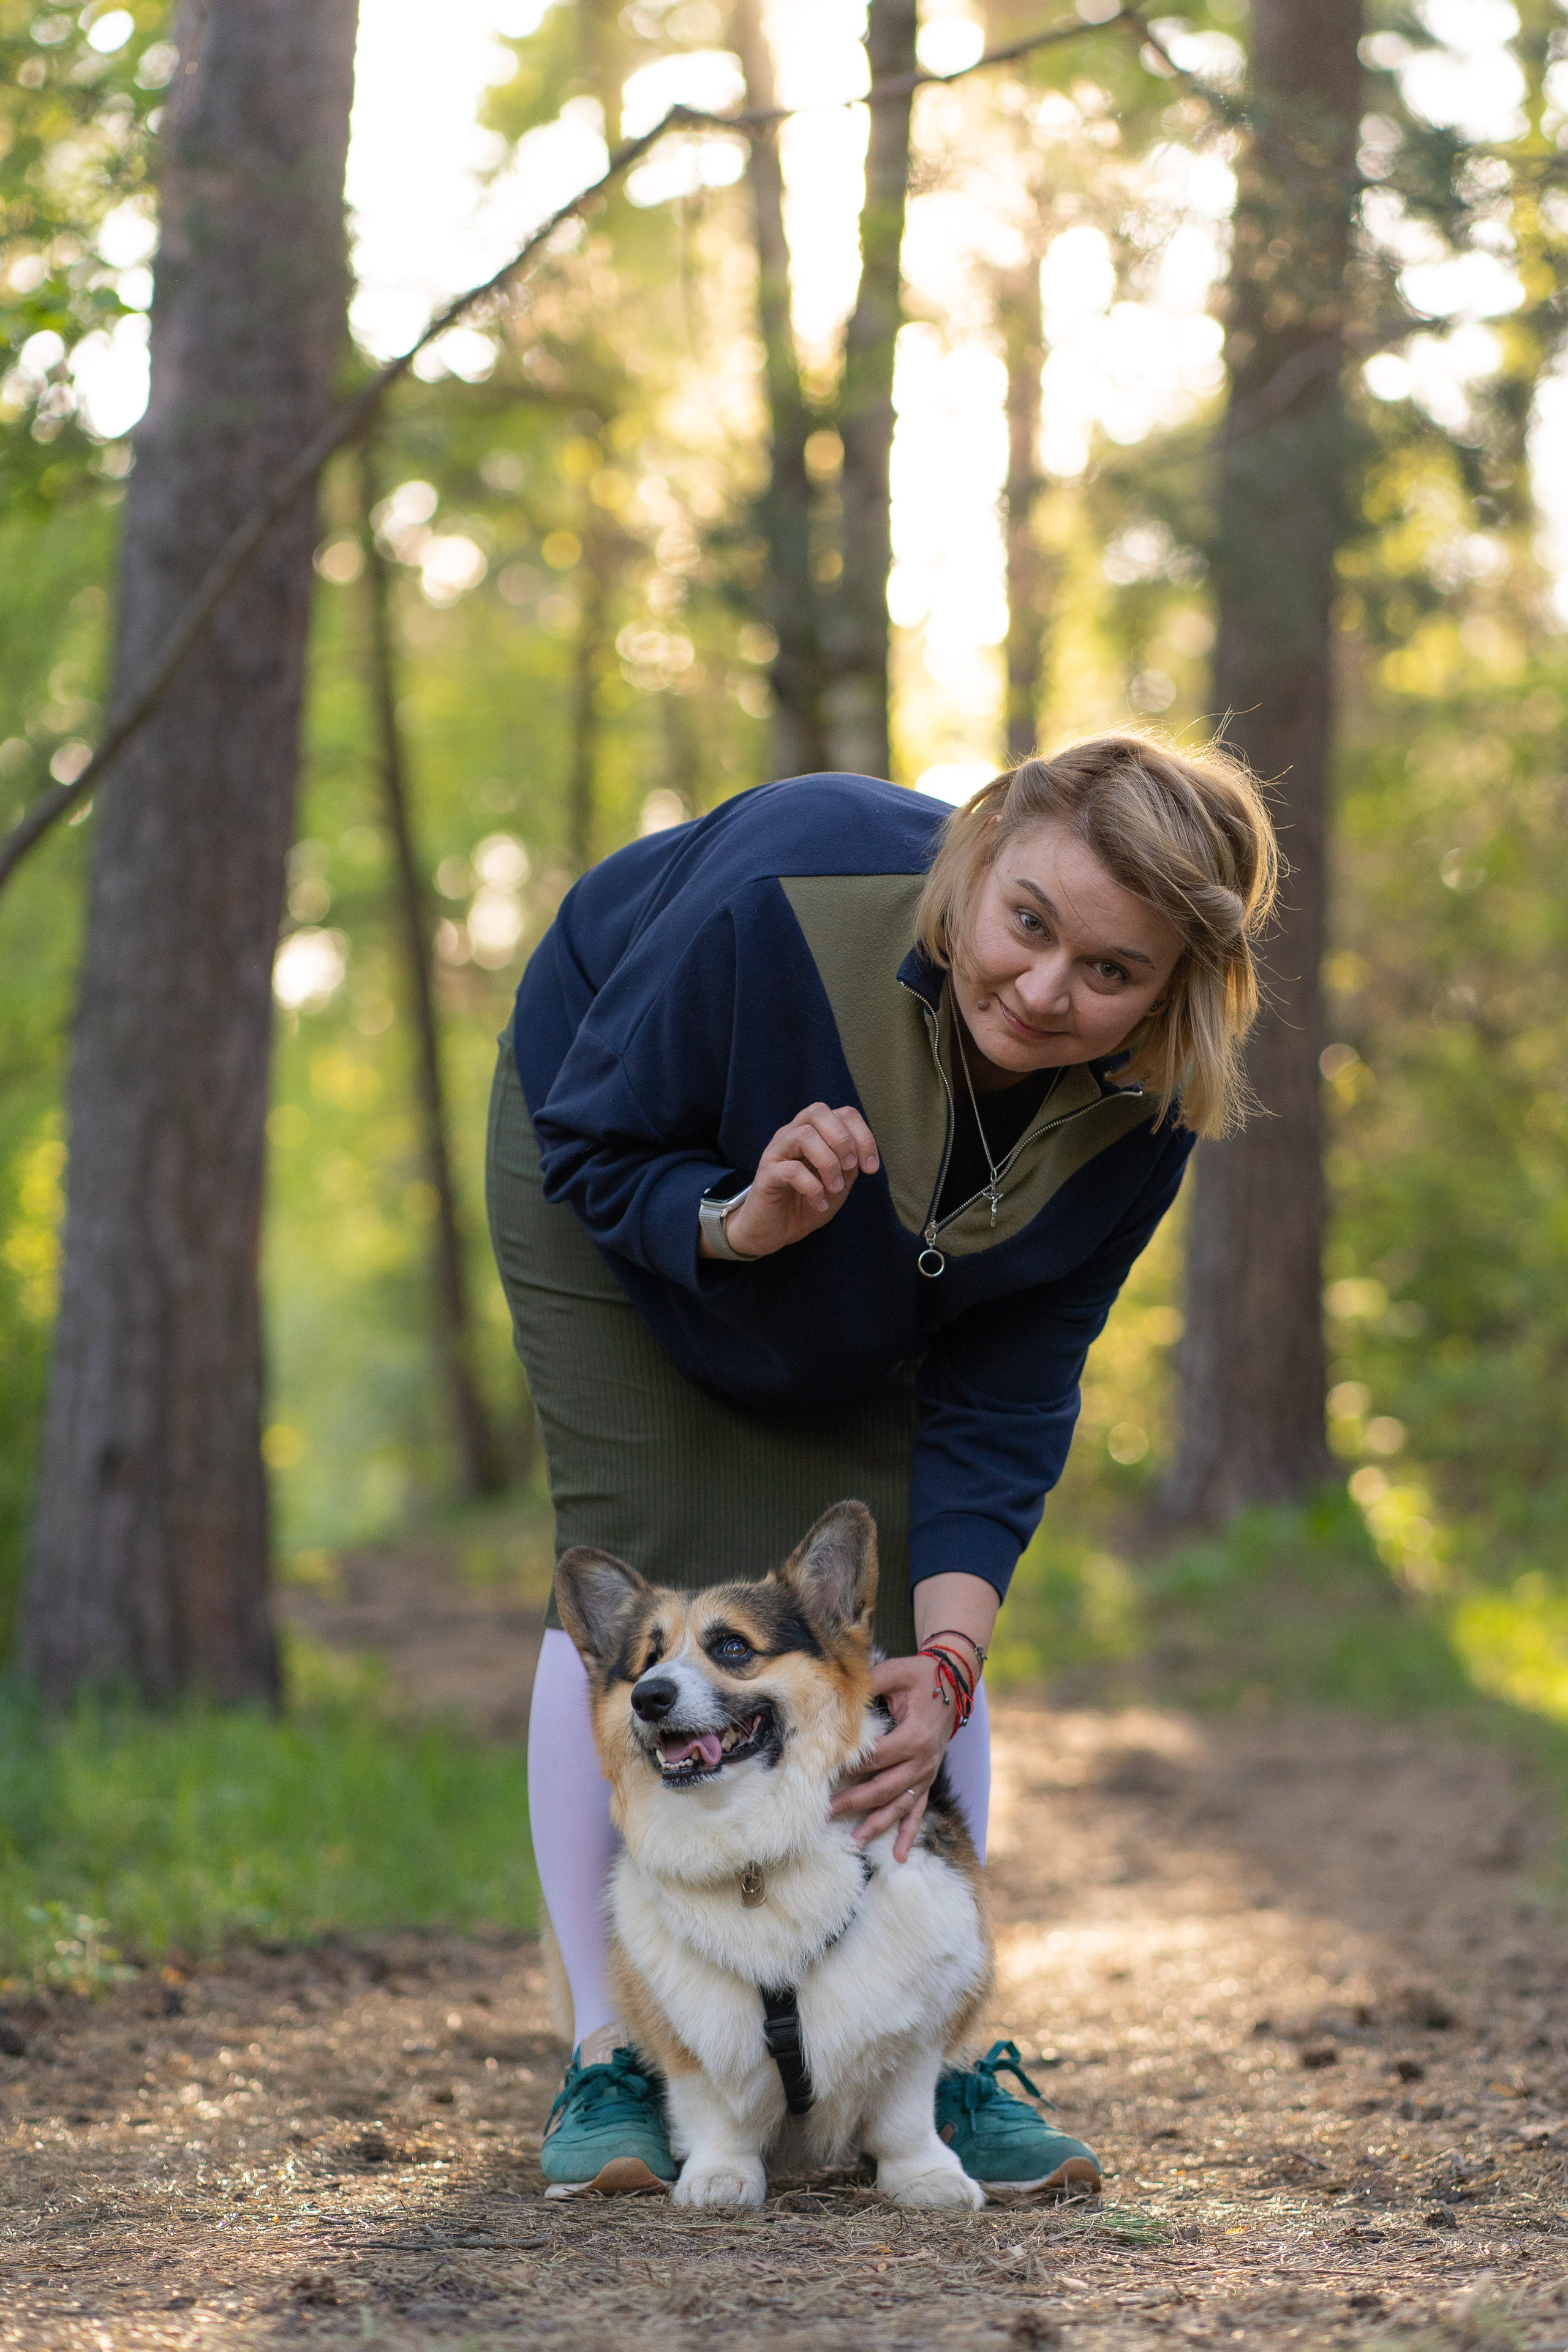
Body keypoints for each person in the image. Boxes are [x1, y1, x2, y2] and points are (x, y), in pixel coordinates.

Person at [486, 733, 1276, 2198]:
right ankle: (614, 2054)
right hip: (617, 1164)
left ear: (1170, 995)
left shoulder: (1148, 1107)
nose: (1044, 990)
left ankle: (934, 2049)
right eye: (1027, 922)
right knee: (639, 1558)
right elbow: (595, 1140)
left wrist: (953, 1660)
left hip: (854, 1245)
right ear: (979, 850)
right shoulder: (788, 889)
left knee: (896, 1599)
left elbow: (1012, 1384)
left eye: (1109, 973)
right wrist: (736, 1223)